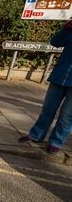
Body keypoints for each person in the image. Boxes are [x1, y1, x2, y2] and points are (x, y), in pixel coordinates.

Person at [19, 19, 72, 154]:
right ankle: (36, 134)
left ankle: (56, 141)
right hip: (60, 76)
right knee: (48, 109)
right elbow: (55, 43)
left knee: (67, 115)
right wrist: (66, 29)